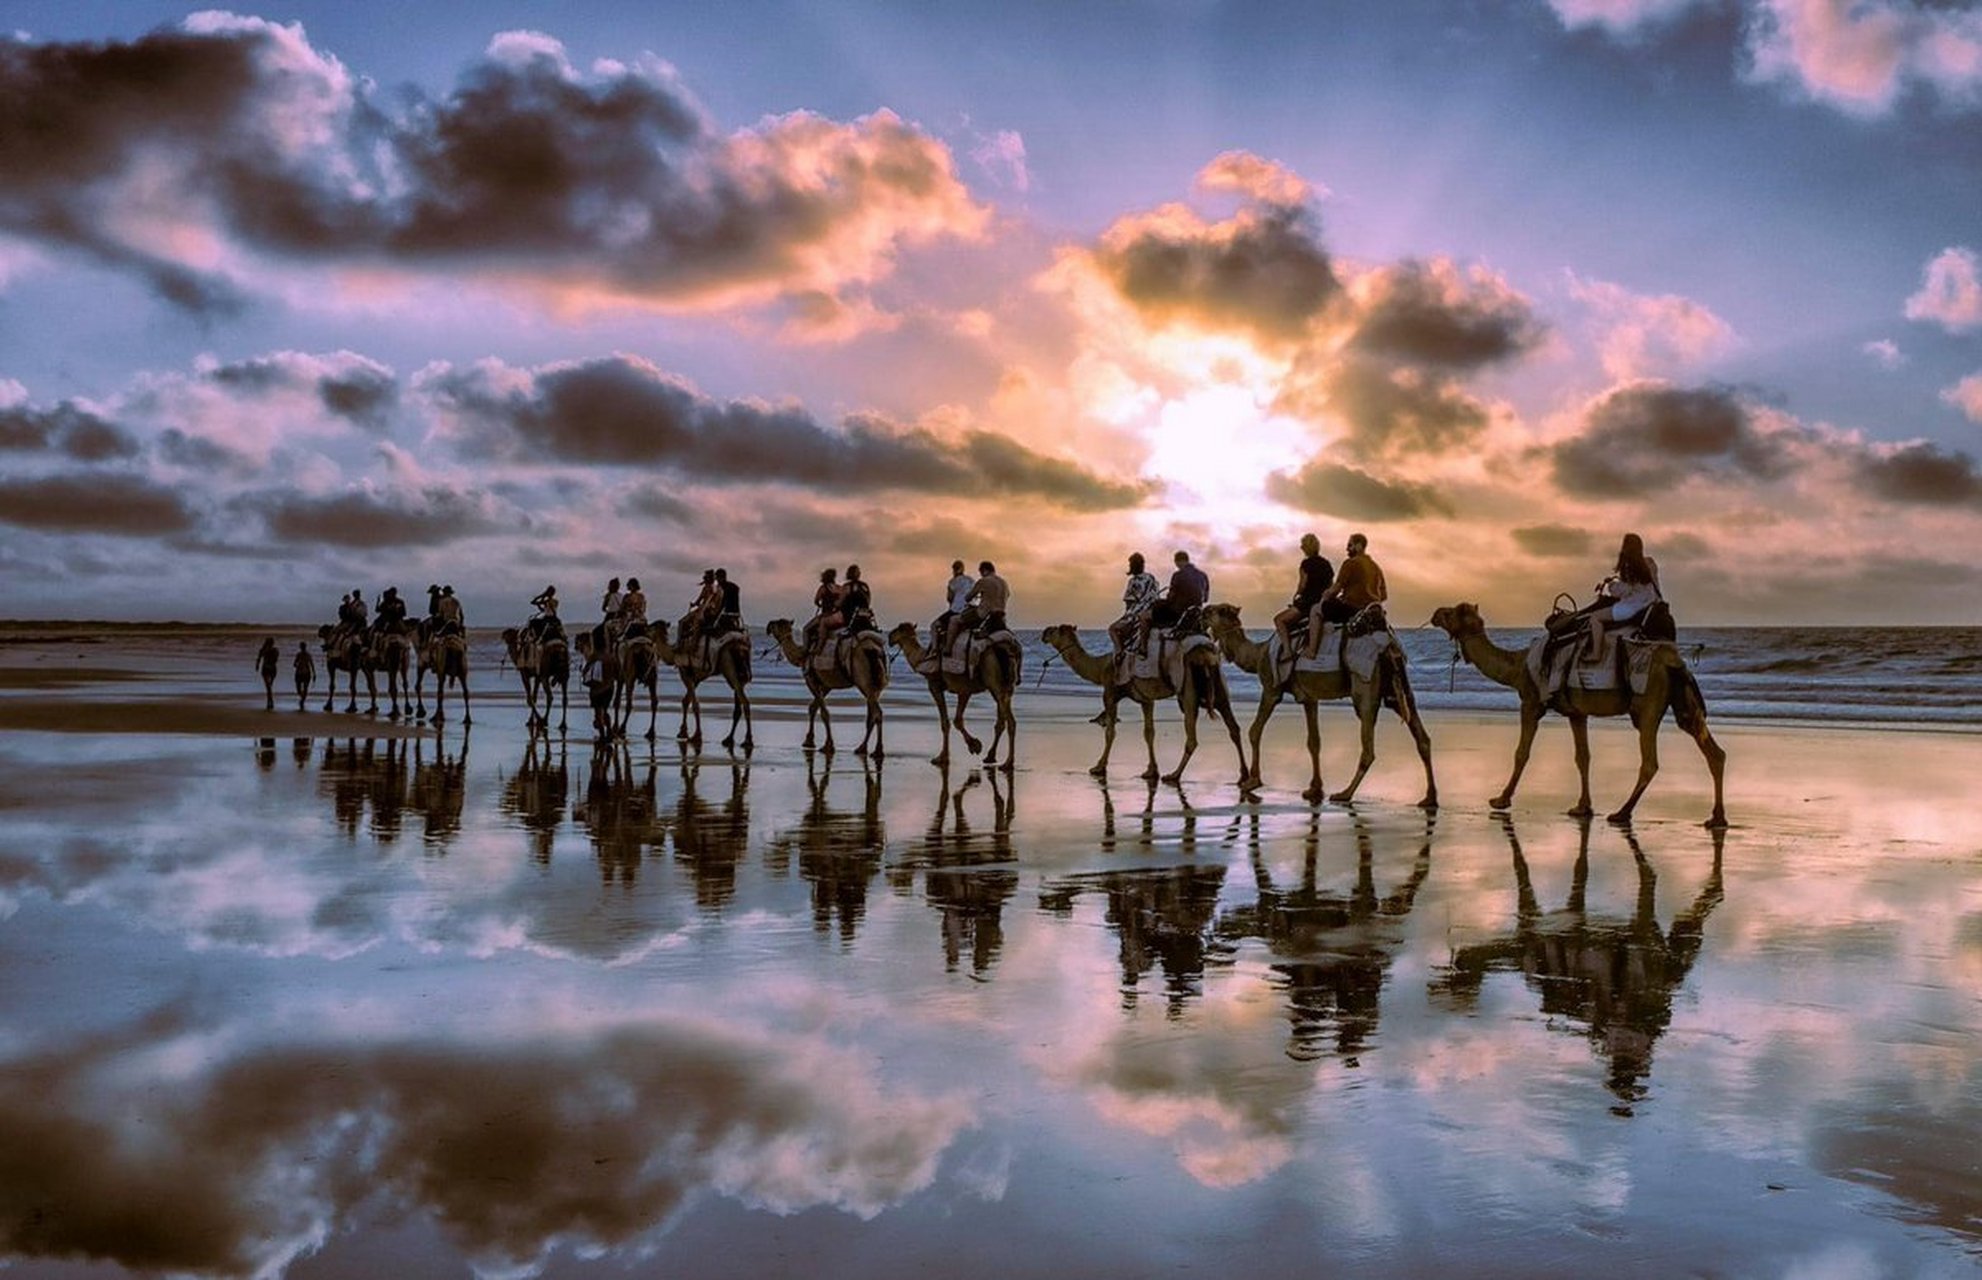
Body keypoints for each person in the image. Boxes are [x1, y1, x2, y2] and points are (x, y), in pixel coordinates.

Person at [1305, 533, 1387, 658]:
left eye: (1350, 545)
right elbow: (1384, 596)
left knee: (1315, 610)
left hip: (1352, 610)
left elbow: (1335, 589)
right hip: (1372, 611)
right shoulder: (1376, 567)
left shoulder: (1350, 563)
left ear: (1359, 546)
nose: (1347, 549)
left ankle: (1311, 651)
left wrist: (1325, 595)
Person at [1586, 533, 1660, 665]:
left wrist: (1611, 585)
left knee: (1595, 617)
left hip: (1632, 607)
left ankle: (1596, 653)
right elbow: (1648, 585)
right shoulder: (1650, 563)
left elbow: (1623, 591)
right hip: (1649, 604)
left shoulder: (1628, 567)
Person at [1137, 550, 1209, 656]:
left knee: (1143, 616)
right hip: (1195, 615)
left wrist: (1160, 601)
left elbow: (1171, 598)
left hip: (1177, 614)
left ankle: (1143, 649)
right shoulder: (1203, 575)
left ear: (1178, 562)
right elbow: (1205, 599)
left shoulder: (1178, 575)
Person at [1274, 534, 1333, 657]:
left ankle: (1287, 650)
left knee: (1279, 620)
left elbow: (1302, 585)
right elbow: (1330, 585)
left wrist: (1297, 595)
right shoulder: (1326, 564)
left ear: (1307, 547)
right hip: (1323, 603)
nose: (1301, 547)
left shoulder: (1306, 564)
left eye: (1303, 545)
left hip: (1308, 603)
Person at [1109, 553, 1162, 653]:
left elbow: (1129, 603)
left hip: (1135, 615)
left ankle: (1120, 652)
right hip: (1151, 611)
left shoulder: (1134, 581)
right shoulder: (1151, 577)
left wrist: (1126, 616)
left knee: (1112, 629)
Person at [953, 560, 1010, 647]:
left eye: (981, 572)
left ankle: (947, 650)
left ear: (984, 570)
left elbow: (968, 598)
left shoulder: (983, 581)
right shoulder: (1004, 582)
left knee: (954, 620)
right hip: (1001, 617)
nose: (981, 575)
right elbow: (1007, 595)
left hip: (983, 616)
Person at [934, 559, 972, 652]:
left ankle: (935, 650)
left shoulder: (952, 582)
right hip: (969, 609)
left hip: (956, 610)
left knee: (934, 626)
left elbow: (949, 598)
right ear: (963, 569)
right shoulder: (971, 580)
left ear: (954, 570)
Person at [802, 567, 840, 653]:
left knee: (806, 629)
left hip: (826, 614)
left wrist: (820, 604)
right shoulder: (839, 588)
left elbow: (816, 601)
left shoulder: (823, 588)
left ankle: (805, 651)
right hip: (837, 615)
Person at [839, 564, 874, 633]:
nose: (860, 572)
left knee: (825, 620)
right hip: (865, 614)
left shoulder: (847, 586)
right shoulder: (865, 586)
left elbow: (840, 602)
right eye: (858, 571)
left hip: (850, 614)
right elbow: (868, 600)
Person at [707, 567, 742, 635]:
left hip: (725, 613)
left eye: (717, 578)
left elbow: (722, 603)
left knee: (708, 618)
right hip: (736, 613)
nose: (716, 580)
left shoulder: (722, 588)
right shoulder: (733, 586)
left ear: (720, 578)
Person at [256, 637, 280, 710]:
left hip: (268, 668)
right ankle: (270, 701)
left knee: (268, 686)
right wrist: (257, 665)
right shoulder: (268, 650)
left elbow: (275, 659)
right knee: (269, 686)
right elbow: (259, 658)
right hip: (270, 669)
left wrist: (257, 665)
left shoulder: (273, 650)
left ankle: (270, 701)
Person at [293, 640, 316, 711]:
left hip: (306, 673)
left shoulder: (308, 655)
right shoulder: (298, 655)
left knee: (305, 688)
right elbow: (294, 664)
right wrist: (298, 664)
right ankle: (302, 698)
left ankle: (302, 701)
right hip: (300, 673)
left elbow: (312, 664)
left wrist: (314, 673)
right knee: (299, 689)